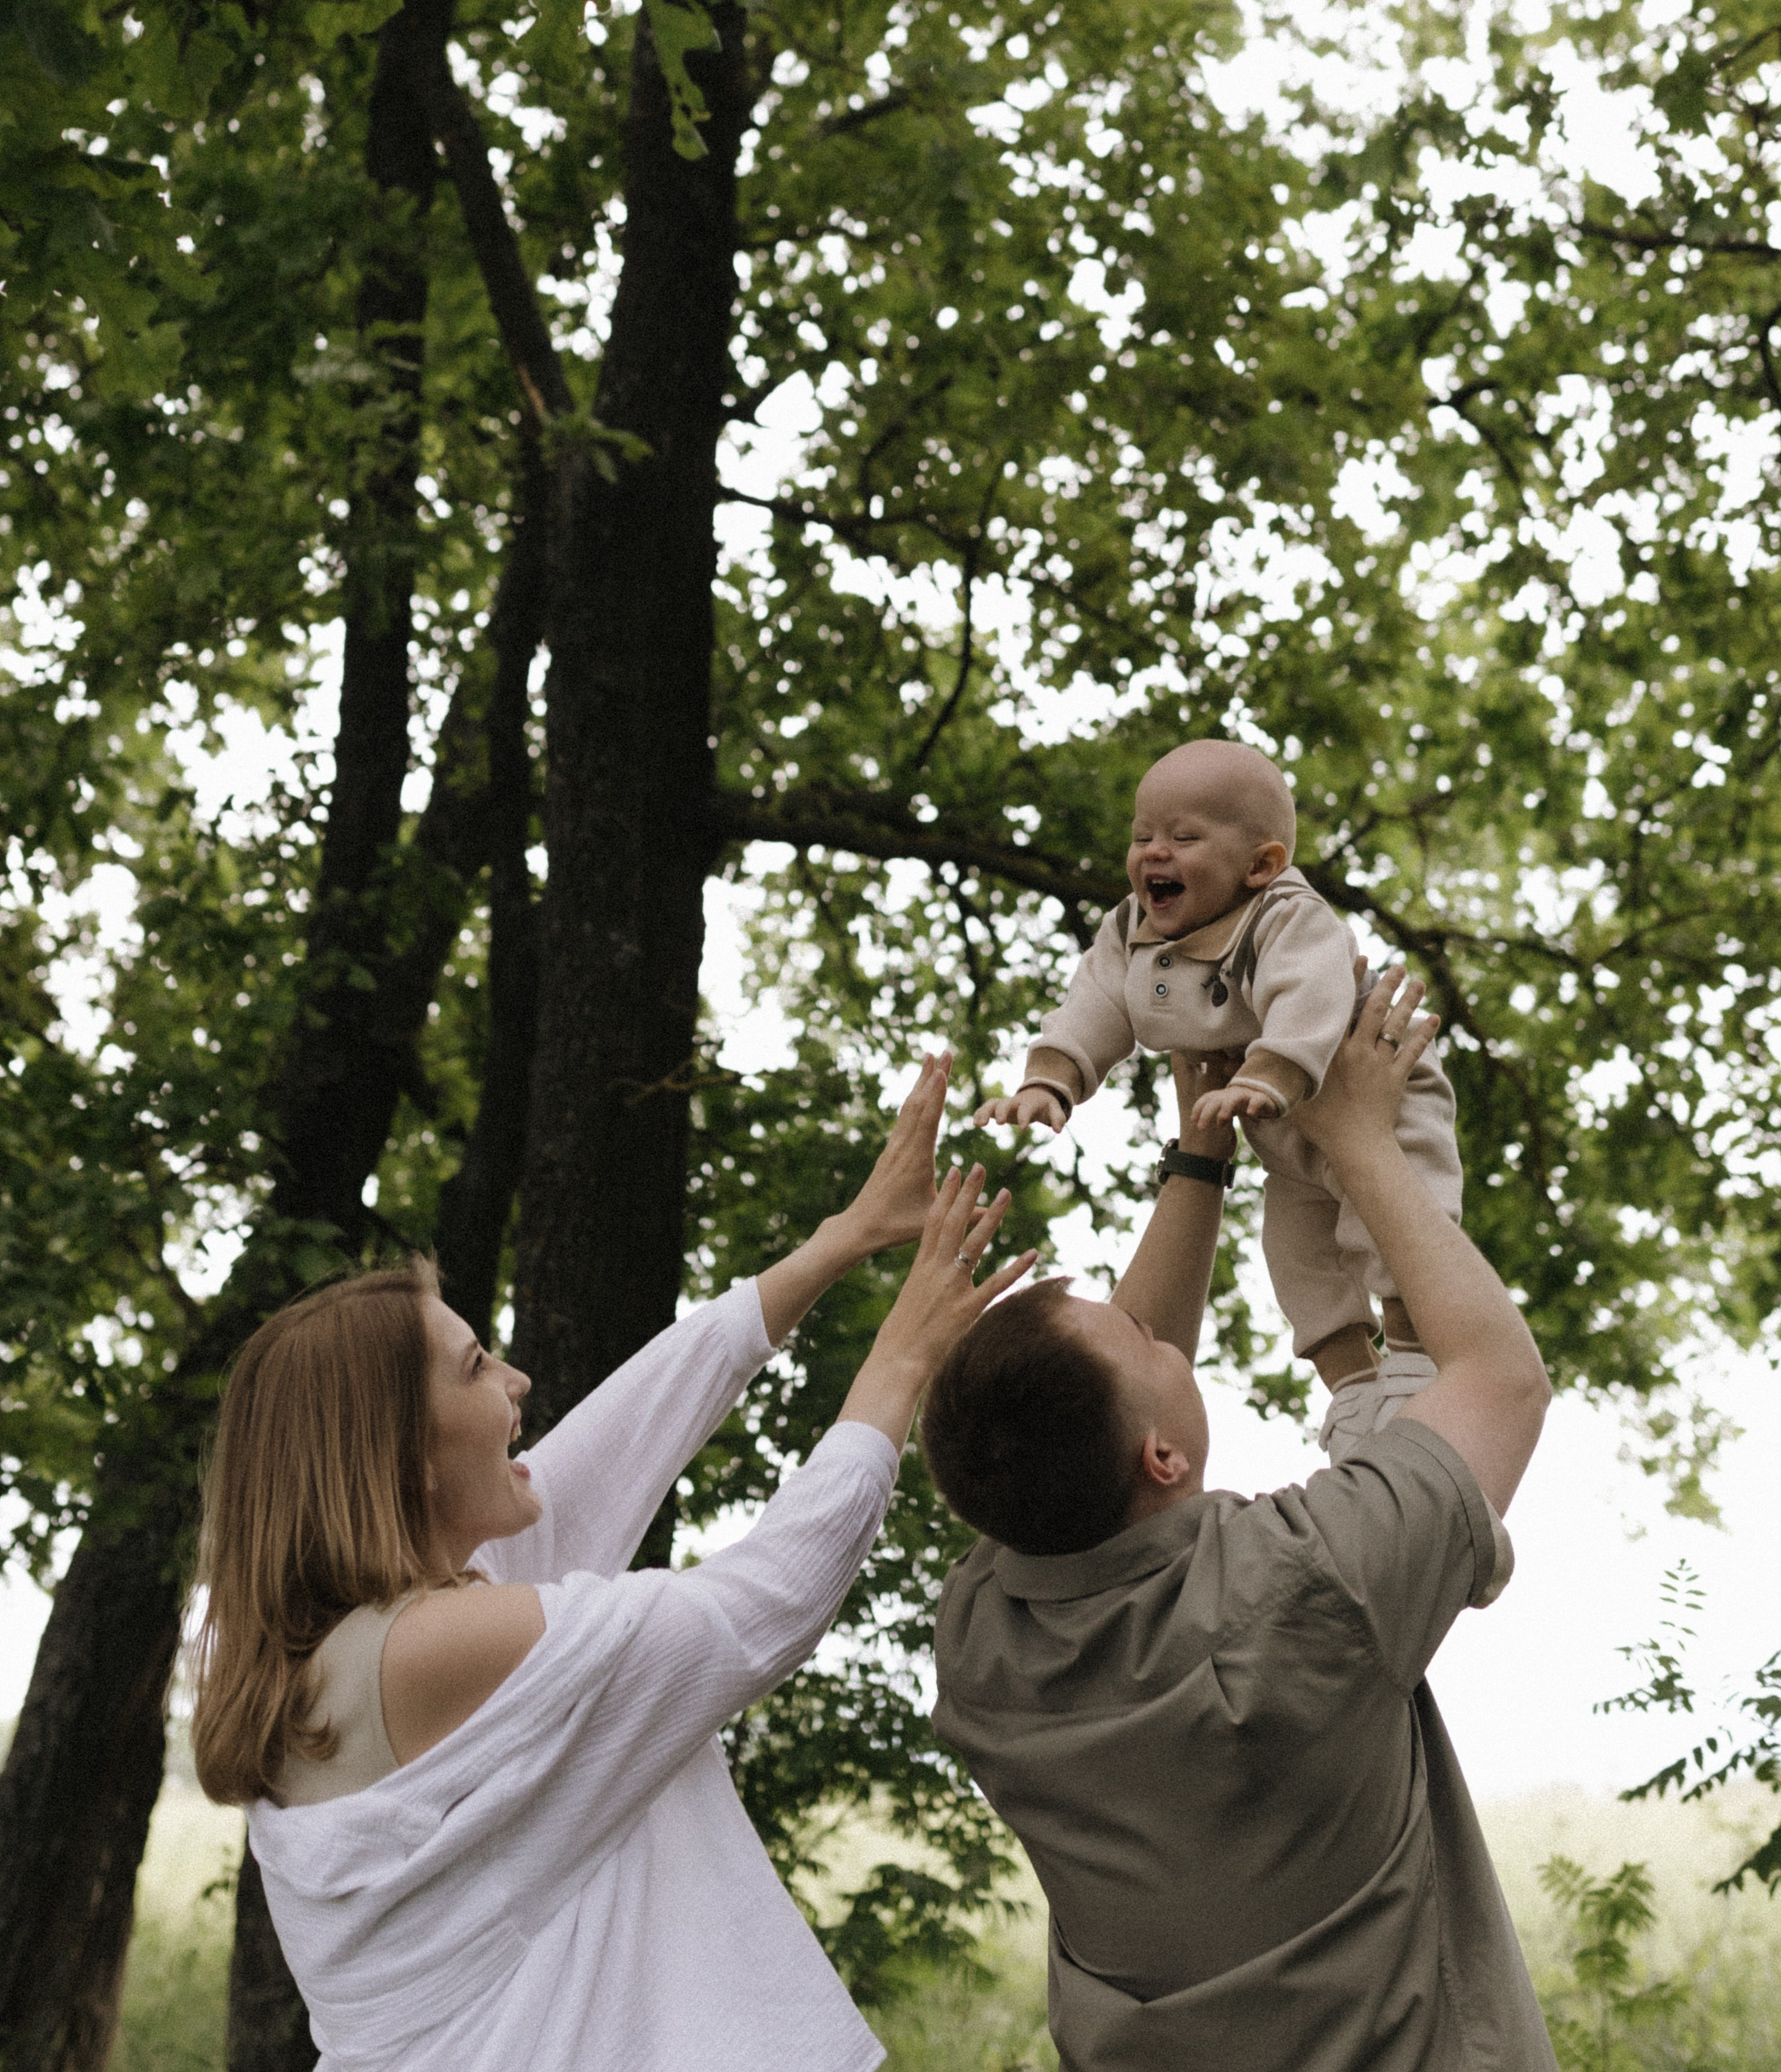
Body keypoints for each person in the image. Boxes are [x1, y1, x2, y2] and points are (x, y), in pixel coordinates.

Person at [191, 1052, 1034, 2072]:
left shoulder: (333, 1644)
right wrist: (905, 1356)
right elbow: (757, 1609)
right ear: (409, 1461)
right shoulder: (432, 1650)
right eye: (475, 1367)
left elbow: (612, 1446)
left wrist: (839, 1242)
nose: (517, 1380)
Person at [927, 973, 1556, 2072]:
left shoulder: (985, 1642)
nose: (1161, 1331)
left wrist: (1199, 1155)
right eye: (1150, 1345)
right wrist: (1361, 1138)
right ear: (1162, 1456)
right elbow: (1500, 1378)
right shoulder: (1313, 1583)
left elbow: (1081, 1408)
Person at [973, 739, 1462, 1458]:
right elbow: (1093, 1003)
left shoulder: (1283, 916)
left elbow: (1310, 991)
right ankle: (1355, 1386)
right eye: (1142, 836)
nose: (1152, 854)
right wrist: (1050, 1079)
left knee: (1392, 1220)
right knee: (1294, 1250)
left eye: (1182, 836)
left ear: (1259, 865)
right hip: (1281, 1132)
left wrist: (1268, 1072)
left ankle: (1415, 1354)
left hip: (1371, 1093)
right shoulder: (1129, 932)